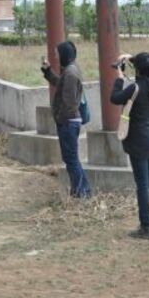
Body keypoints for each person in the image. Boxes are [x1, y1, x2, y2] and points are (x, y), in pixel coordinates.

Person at [111, 51, 149, 239]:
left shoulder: (134, 88)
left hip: (138, 141)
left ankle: (145, 227)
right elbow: (148, 71)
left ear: (138, 70)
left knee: (142, 185)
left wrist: (119, 77)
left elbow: (115, 98)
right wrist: (132, 59)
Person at [41, 40, 91, 198]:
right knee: (72, 159)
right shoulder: (71, 70)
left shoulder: (70, 73)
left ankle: (79, 193)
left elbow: (69, 103)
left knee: (71, 160)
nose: (56, 57)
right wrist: (48, 72)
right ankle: (84, 190)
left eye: (57, 54)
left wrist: (59, 119)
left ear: (64, 55)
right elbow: (59, 83)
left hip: (68, 122)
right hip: (70, 121)